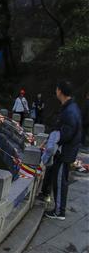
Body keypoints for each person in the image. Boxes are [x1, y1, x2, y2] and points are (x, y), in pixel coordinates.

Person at [46, 81, 83, 220]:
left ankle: (59, 211)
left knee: (61, 181)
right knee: (58, 178)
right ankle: (57, 207)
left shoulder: (70, 110)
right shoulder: (70, 107)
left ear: (60, 91)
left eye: (56, 88)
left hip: (65, 152)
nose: (56, 91)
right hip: (65, 151)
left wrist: (54, 141)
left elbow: (67, 133)